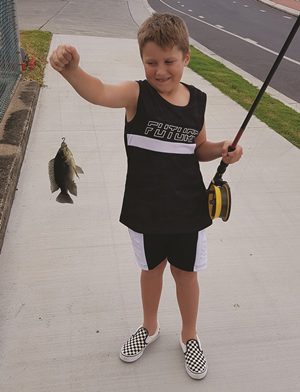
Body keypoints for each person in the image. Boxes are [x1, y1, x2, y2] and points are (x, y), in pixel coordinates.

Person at [50, 12, 243, 380]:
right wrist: (72, 70)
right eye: (151, 62)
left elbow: (198, 148)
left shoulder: (198, 101)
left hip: (188, 210)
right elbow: (100, 91)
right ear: (142, 61)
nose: (160, 71)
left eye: (169, 61)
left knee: (186, 275)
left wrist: (221, 148)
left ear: (186, 57)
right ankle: (150, 327)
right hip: (145, 209)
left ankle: (190, 336)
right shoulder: (136, 95)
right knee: (150, 271)